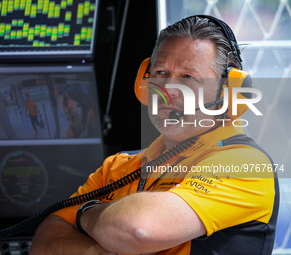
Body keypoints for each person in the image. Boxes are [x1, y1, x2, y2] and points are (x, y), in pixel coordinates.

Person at [30, 15, 279, 255]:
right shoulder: (116, 167)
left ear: (227, 92)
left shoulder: (246, 164)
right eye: (160, 73)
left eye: (188, 77)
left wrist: (84, 213)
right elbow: (43, 244)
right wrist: (110, 250)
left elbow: (140, 229)